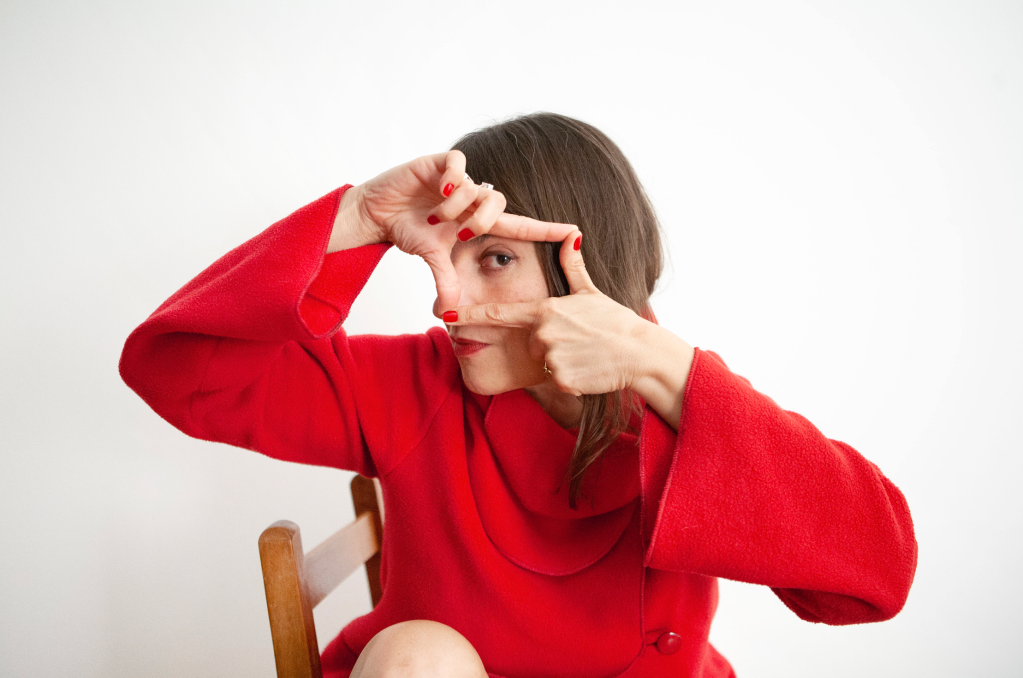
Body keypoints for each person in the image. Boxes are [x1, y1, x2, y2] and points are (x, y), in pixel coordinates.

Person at [119, 112, 917, 678]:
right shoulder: (412, 382)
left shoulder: (686, 405)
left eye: (493, 258)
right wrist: (355, 218)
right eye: (443, 257)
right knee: (416, 655)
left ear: (586, 265)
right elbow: (180, 370)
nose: (446, 301)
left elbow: (874, 575)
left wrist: (658, 362)